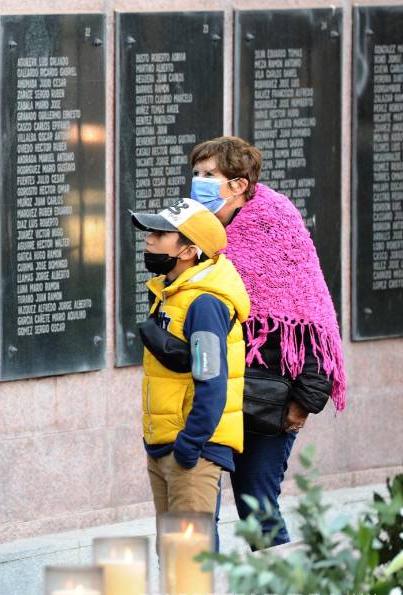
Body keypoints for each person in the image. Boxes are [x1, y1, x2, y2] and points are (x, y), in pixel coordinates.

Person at [188, 136, 345, 548]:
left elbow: (313, 319)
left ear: (238, 184)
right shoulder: (199, 233)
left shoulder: (277, 229)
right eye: (196, 173)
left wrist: (305, 401)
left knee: (257, 506)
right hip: (211, 395)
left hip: (268, 400)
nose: (198, 181)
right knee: (197, 506)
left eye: (209, 175)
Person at [132, 199, 251, 551]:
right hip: (165, 446)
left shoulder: (205, 303)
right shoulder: (173, 293)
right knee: (172, 555)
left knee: (188, 560)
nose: (149, 240)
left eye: (160, 233)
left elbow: (212, 381)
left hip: (190, 451)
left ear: (189, 250)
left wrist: (189, 446)